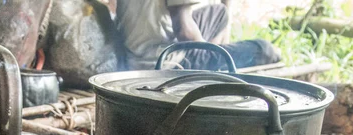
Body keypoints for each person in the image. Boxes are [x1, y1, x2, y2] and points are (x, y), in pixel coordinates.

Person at [115, 0, 281, 71]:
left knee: (220, 13)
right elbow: (185, 31)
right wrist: (208, 52)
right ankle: (204, 66)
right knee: (264, 49)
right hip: (165, 62)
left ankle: (210, 62)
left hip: (132, 57)